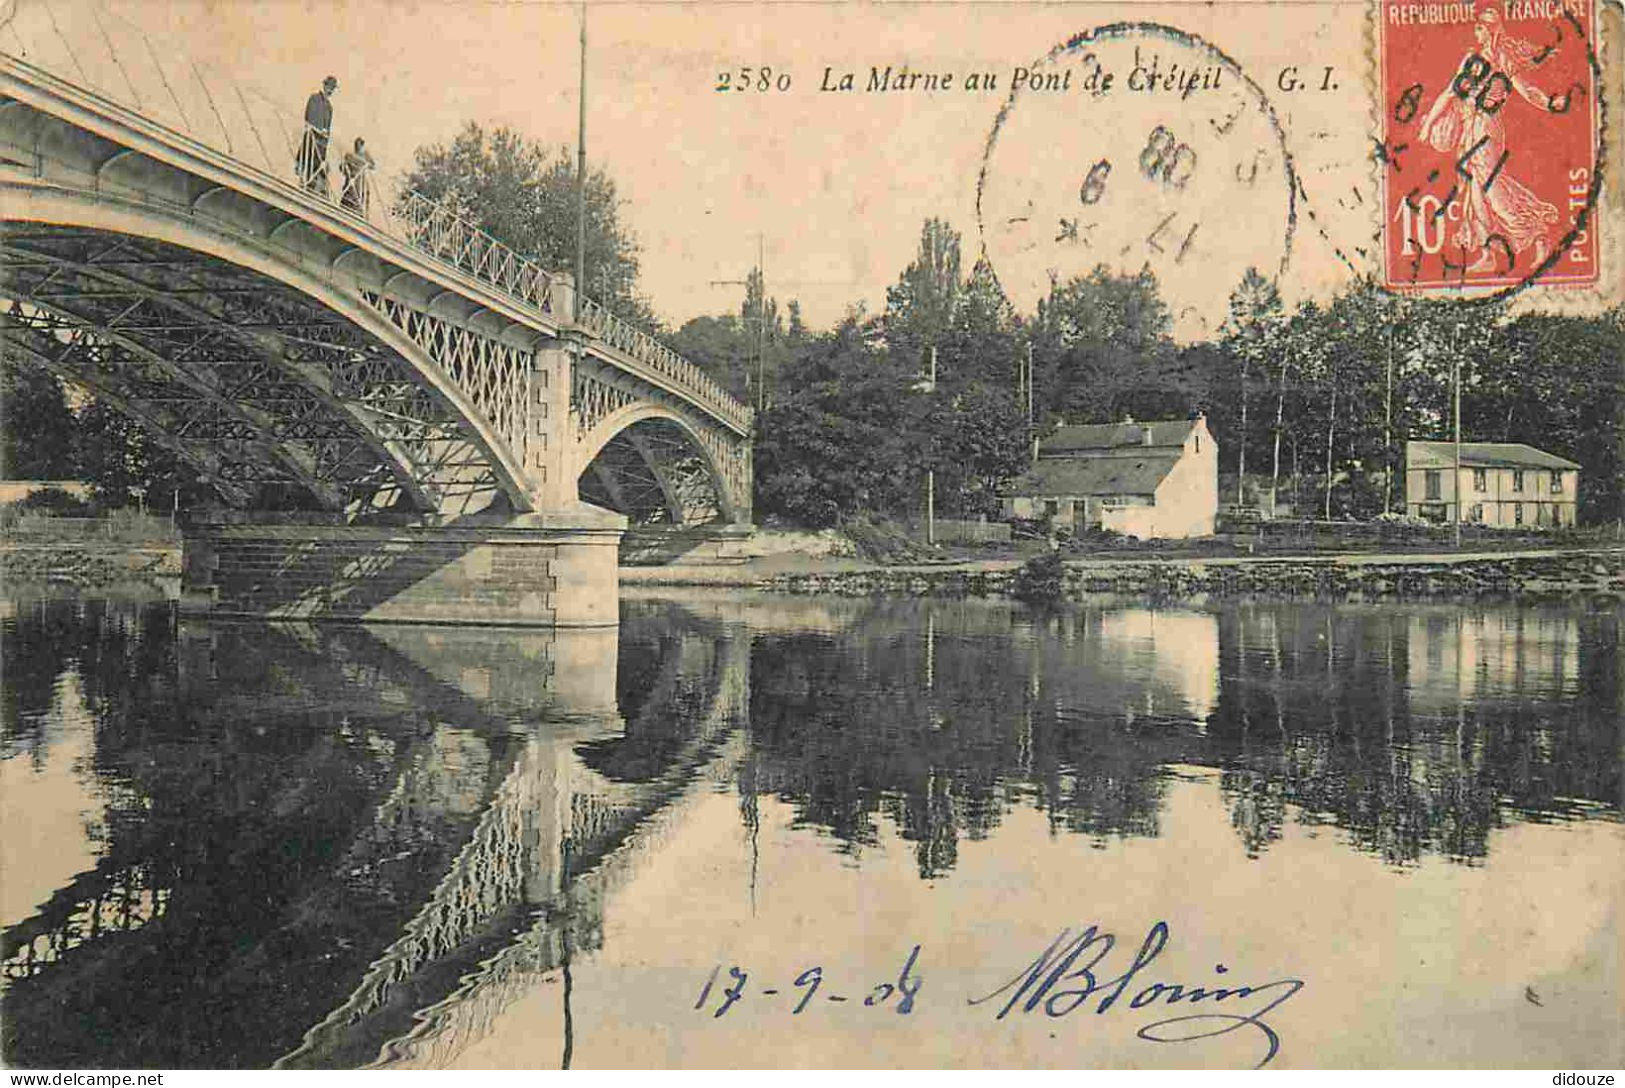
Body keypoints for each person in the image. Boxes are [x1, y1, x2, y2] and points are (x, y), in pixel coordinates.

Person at [1414, 7, 1560, 273]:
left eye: (1481, 28)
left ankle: (1538, 236)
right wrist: (1431, 124)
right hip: (1468, 131)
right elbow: (1450, 92)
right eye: (1477, 27)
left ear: (1492, 31)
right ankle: (1488, 253)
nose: (1476, 32)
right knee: (1475, 194)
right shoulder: (1472, 60)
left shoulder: (1503, 59)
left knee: (1494, 192)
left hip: (1487, 131)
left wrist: (1549, 103)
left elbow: (1526, 89)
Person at [296, 76, 337, 194]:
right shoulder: (314, 99)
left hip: (321, 144)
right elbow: (309, 117)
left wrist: (325, 137)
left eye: (332, 89)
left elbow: (328, 127)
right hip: (311, 139)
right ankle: (303, 187)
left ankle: (311, 191)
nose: (330, 91)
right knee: (306, 167)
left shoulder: (329, 107)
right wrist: (319, 130)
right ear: (324, 86)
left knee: (316, 171)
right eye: (329, 87)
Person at [340, 137, 375, 215]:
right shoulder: (350, 156)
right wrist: (347, 169)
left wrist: (366, 164)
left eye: (358, 145)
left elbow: (373, 166)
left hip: (359, 180)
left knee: (358, 196)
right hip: (351, 179)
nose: (356, 147)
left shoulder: (365, 155)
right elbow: (342, 167)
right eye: (355, 145)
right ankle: (345, 207)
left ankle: (357, 211)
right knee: (348, 194)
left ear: (362, 146)